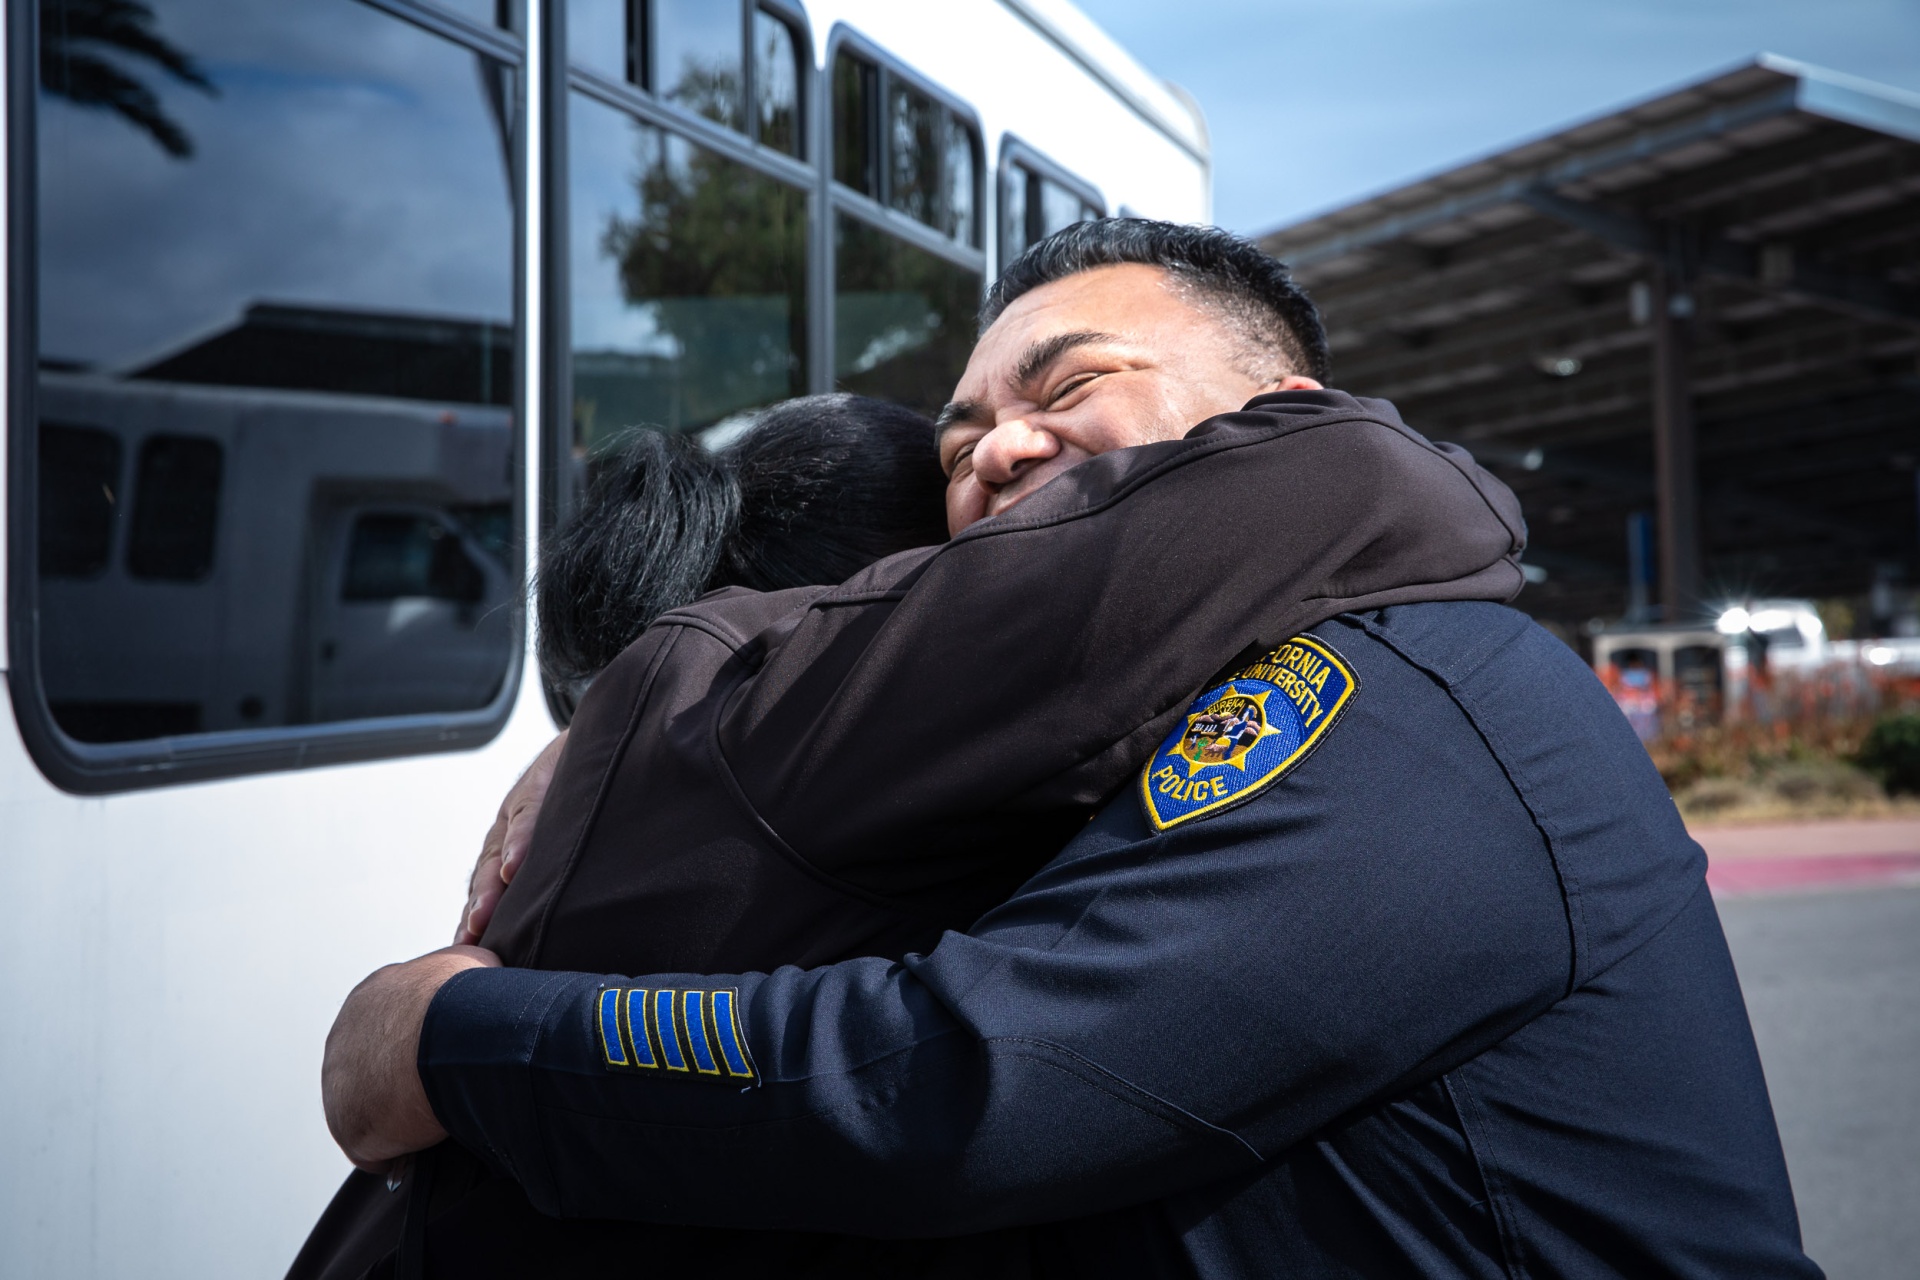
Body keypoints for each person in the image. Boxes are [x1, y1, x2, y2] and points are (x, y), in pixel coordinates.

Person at [324, 221, 1822, 1278]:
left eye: (1067, 385)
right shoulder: (1096, 735)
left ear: (1281, 421)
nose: (995, 449)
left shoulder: (1415, 688)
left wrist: (455, 1037)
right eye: (961, 431)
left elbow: (960, 1081)